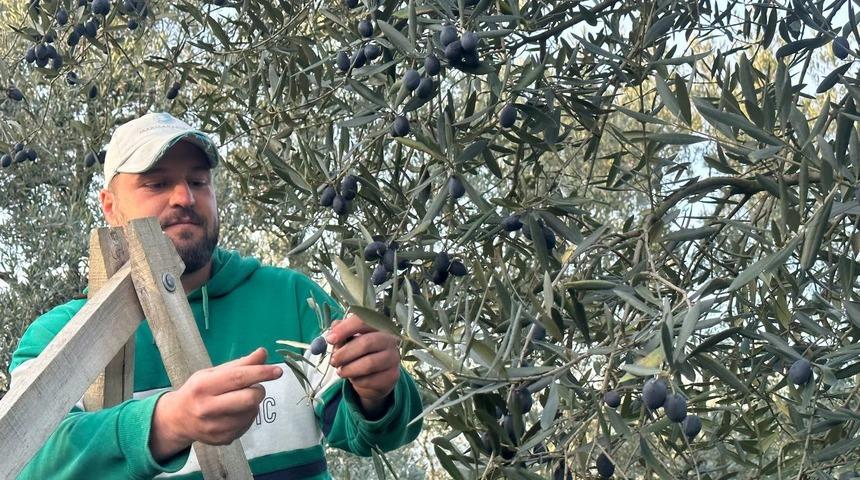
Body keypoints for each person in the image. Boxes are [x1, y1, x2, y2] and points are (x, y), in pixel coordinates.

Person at [7, 112, 423, 478]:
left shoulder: (291, 298)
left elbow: (372, 435)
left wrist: (379, 391)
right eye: (157, 183)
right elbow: (23, 461)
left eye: (198, 181)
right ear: (110, 206)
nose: (184, 198)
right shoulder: (60, 335)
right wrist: (165, 424)